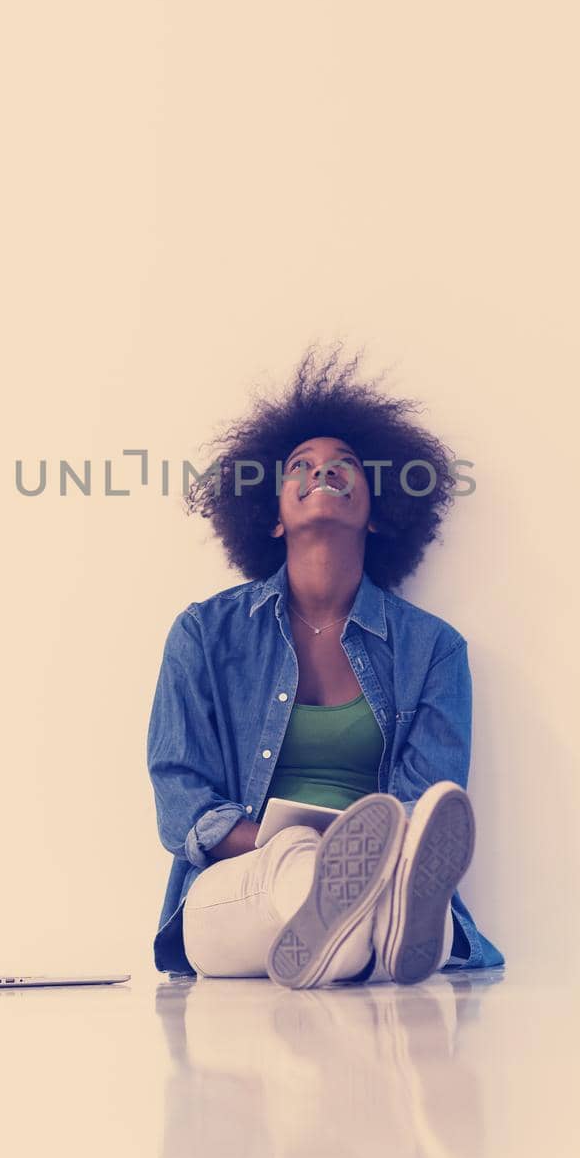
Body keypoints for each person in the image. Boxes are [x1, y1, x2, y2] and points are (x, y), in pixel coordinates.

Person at [146, 345, 504, 988]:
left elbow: (426, 811)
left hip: (384, 872)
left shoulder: (433, 650)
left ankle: (369, 929)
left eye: (346, 466)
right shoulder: (203, 635)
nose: (324, 472)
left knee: (384, 890)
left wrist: (376, 858)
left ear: (379, 511)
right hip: (245, 883)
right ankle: (383, 933)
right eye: (301, 467)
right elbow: (183, 807)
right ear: (272, 517)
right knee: (298, 869)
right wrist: (298, 846)